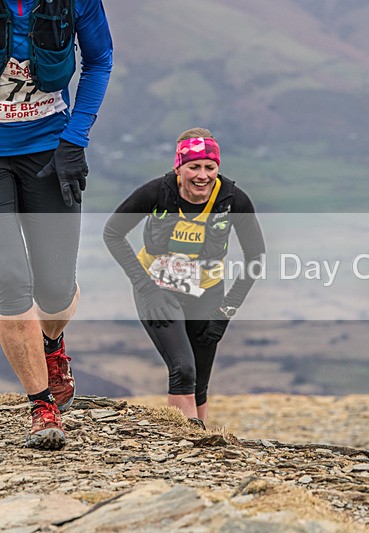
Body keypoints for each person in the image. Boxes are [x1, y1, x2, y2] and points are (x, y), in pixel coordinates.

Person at [0, 0, 113, 449]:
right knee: (10, 285)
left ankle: (52, 346)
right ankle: (42, 407)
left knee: (55, 290)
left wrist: (76, 138)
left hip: (50, 148)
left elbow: (100, 58)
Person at [103, 128, 265, 427]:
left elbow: (256, 257)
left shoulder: (233, 200)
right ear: (179, 167)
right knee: (183, 370)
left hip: (208, 294)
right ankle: (184, 439)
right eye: (194, 166)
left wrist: (227, 311)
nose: (202, 175)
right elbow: (113, 233)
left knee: (200, 380)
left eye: (209, 167)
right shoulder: (156, 192)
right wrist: (145, 288)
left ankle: (200, 447)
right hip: (158, 290)